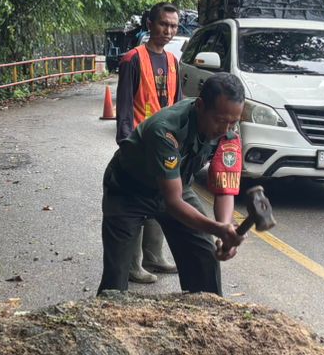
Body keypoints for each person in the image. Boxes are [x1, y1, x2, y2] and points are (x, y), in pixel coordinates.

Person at [99, 74, 245, 295]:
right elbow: (174, 202)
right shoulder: (165, 130)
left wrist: (226, 231)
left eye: (233, 122)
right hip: (128, 190)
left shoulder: (229, 135)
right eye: (220, 120)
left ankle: (207, 319)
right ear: (200, 106)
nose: (226, 128)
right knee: (116, 277)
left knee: (204, 256)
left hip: (177, 184)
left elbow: (224, 189)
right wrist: (217, 228)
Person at [114, 3, 183, 284]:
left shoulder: (173, 62)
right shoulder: (133, 58)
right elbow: (125, 108)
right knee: (137, 201)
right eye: (163, 24)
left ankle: (154, 257)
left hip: (165, 145)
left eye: (173, 26)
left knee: (159, 198)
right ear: (150, 24)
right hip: (140, 143)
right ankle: (133, 265)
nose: (168, 31)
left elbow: (177, 106)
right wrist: (126, 143)